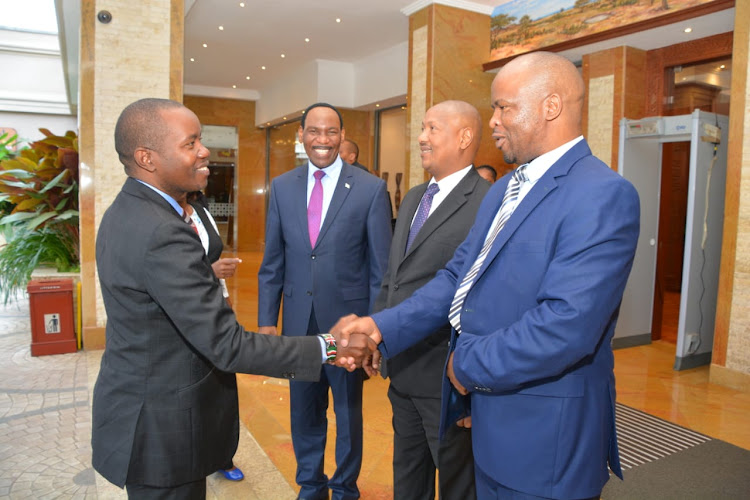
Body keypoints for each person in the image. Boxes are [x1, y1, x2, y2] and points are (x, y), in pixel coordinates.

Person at [337, 51, 641, 499]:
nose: (494, 121)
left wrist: (463, 366)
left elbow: (565, 327)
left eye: (504, 107)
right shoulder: (505, 189)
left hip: (544, 443)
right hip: (489, 422)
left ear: (550, 106)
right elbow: (457, 276)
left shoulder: (602, 194)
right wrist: (382, 326)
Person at [92, 98, 375, 499]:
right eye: (191, 143)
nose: (204, 151)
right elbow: (227, 345)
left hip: (148, 416)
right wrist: (330, 347)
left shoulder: (127, 212)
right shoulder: (162, 232)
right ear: (147, 158)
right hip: (160, 431)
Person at [257, 102, 392, 500]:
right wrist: (268, 323)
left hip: (347, 327)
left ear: (343, 135)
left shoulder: (370, 189)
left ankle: (345, 488)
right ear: (300, 135)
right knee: (304, 411)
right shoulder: (282, 187)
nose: (322, 140)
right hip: (299, 326)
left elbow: (380, 270)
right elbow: (272, 262)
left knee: (348, 412)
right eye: (314, 131)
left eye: (331, 132)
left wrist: (374, 330)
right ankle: (311, 485)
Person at [375, 100, 488, 500]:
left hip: (447, 377)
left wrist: (476, 384)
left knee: (457, 484)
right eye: (421, 128)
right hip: (402, 368)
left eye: (432, 129)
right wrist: (379, 334)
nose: (421, 137)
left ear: (464, 137)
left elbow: (484, 299)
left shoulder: (486, 203)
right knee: (408, 476)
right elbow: (394, 277)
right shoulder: (413, 197)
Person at [185, 190, 244, 481]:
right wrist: (211, 271)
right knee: (191, 387)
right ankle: (192, 456)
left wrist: (225, 296)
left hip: (215, 309)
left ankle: (223, 454)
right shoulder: (163, 214)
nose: (205, 165)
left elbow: (213, 254)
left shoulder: (201, 209)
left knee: (221, 385)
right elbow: (174, 273)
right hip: (183, 317)